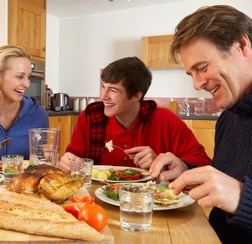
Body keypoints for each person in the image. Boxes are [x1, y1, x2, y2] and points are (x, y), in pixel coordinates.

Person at [148, 5, 252, 244]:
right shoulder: (230, 116)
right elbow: (223, 176)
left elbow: (234, 190)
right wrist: (187, 170)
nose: (197, 84)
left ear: (242, 45)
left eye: (202, 67)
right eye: (191, 74)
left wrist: (241, 197)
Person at [60, 56, 211, 173]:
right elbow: (74, 158)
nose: (103, 96)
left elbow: (202, 163)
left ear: (136, 96)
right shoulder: (90, 117)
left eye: (113, 90)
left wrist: (163, 163)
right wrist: (69, 162)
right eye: (102, 87)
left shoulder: (166, 120)